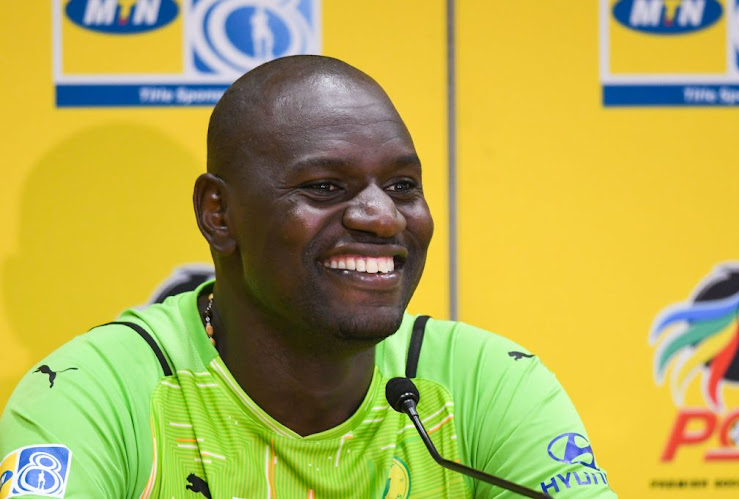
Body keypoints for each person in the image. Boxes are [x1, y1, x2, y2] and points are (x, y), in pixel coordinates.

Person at [0, 56, 616, 498]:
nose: (380, 216)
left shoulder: (485, 384)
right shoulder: (96, 393)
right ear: (219, 214)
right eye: (325, 186)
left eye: (403, 186)